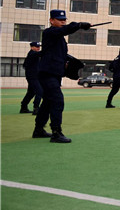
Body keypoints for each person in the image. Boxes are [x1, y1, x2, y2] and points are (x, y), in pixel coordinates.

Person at [32, 9, 91, 143]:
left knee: (48, 102)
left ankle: (38, 129)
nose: (63, 22)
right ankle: (56, 133)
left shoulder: (60, 39)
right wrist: (80, 25)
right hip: (47, 74)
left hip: (54, 74)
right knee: (58, 100)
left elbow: (61, 55)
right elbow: (65, 30)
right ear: (51, 20)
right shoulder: (50, 32)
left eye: (64, 20)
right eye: (60, 20)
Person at [20, 41, 42, 114]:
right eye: (37, 47)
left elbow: (24, 65)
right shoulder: (32, 54)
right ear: (32, 47)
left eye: (39, 47)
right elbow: (41, 53)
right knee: (40, 91)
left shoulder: (33, 55)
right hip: (33, 77)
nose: (38, 48)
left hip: (34, 76)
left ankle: (23, 107)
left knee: (31, 92)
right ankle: (36, 108)